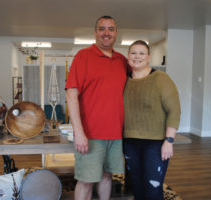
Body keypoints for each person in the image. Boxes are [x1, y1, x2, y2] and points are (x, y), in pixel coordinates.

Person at [65, 16, 128, 200]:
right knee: (86, 180)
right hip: (91, 134)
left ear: (116, 33)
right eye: (102, 28)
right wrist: (79, 132)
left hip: (116, 135)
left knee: (107, 176)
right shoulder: (83, 56)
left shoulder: (122, 61)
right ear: (95, 33)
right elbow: (71, 94)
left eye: (111, 29)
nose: (106, 33)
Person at [123, 40, 181, 200]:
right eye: (133, 53)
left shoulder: (161, 79)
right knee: (137, 187)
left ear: (148, 57)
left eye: (141, 53)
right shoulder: (124, 81)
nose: (137, 56)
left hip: (155, 143)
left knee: (153, 189)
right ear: (128, 56)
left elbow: (174, 111)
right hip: (129, 143)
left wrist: (169, 140)